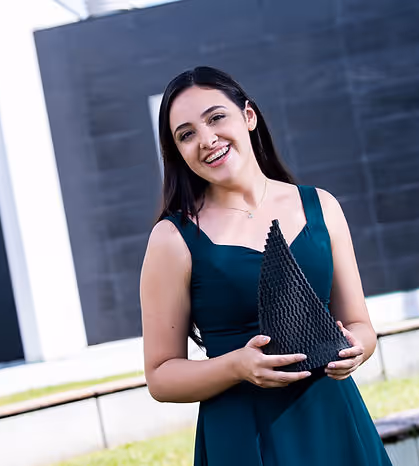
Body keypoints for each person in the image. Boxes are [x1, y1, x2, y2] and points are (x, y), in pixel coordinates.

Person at [140, 66, 392, 465]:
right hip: (243, 438)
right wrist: (237, 365)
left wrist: (355, 349)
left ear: (249, 116)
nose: (206, 140)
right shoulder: (173, 239)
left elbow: (361, 325)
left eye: (216, 117)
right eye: (186, 134)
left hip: (335, 421)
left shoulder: (322, 207)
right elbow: (160, 376)